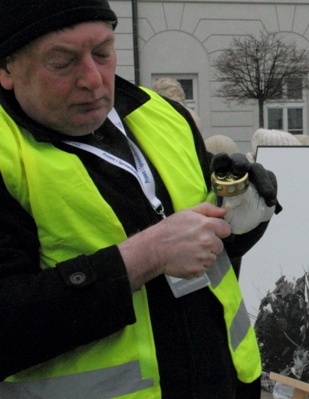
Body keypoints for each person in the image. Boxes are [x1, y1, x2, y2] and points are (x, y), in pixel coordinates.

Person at [0, 1, 280, 397]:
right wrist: (145, 256)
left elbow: (213, 255)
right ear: (7, 68)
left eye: (102, 52)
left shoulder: (164, 115)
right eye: (62, 62)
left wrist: (245, 214)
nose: (93, 80)